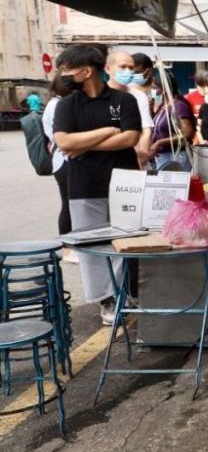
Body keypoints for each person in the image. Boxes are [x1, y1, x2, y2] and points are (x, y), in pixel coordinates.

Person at [53, 44, 142, 325]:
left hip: (124, 181)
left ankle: (123, 293)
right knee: (92, 245)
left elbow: (130, 138)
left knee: (124, 242)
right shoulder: (67, 104)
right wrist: (107, 131)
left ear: (86, 70)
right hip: (84, 184)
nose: (63, 74)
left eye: (67, 69)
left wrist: (86, 144)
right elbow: (64, 142)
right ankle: (106, 300)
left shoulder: (122, 101)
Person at [107, 50, 154, 168]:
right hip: (106, 161)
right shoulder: (99, 96)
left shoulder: (139, 96)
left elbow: (146, 130)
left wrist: (141, 156)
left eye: (131, 68)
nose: (127, 71)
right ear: (107, 69)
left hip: (135, 161)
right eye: (122, 67)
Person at [42, 74, 72, 238]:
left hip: (63, 159)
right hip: (63, 160)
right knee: (68, 204)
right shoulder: (57, 105)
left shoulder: (58, 103)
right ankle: (67, 246)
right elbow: (62, 136)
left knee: (71, 204)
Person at [150, 74, 197, 171]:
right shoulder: (162, 106)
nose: (152, 90)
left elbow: (188, 133)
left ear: (163, 90)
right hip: (162, 156)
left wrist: (160, 142)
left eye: (154, 87)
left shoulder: (178, 106)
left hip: (177, 156)